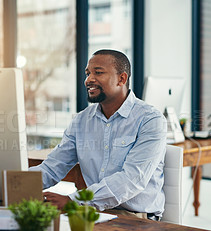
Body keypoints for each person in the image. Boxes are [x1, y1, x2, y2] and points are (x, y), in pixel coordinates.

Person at [30, 49, 167, 220]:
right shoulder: (81, 120)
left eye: (98, 73)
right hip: (94, 212)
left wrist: (73, 201)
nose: (89, 80)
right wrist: (16, 185)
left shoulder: (150, 119)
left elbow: (132, 179)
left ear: (121, 79)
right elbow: (53, 167)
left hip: (136, 217)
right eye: (88, 73)